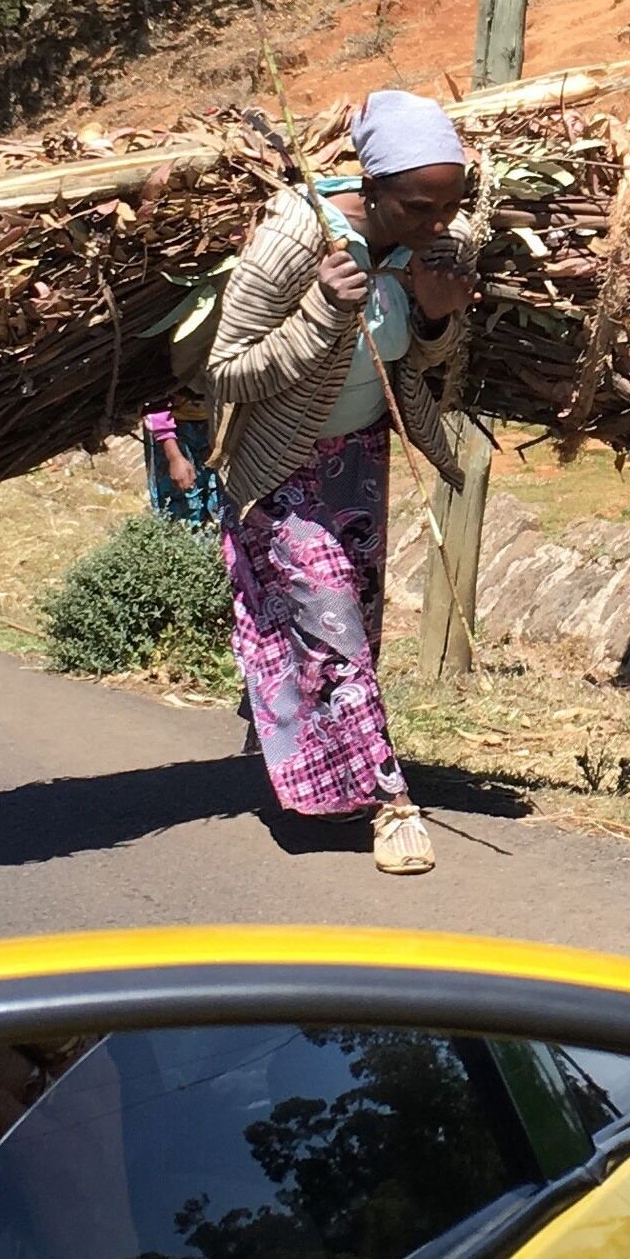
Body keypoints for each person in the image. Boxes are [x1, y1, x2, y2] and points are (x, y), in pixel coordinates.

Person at [205, 90, 476, 876]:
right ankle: (392, 806)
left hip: (359, 460)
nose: (439, 222)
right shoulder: (299, 237)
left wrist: (434, 318)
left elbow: (419, 366)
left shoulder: (434, 247)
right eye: (421, 206)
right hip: (281, 468)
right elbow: (229, 372)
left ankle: (314, 754)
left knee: (349, 629)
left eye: (452, 204)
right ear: (374, 185)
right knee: (333, 627)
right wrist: (322, 311)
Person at [139, 401, 220, 528]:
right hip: (172, 435)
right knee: (182, 516)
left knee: (221, 510)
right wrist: (174, 455)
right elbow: (154, 400)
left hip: (216, 425)